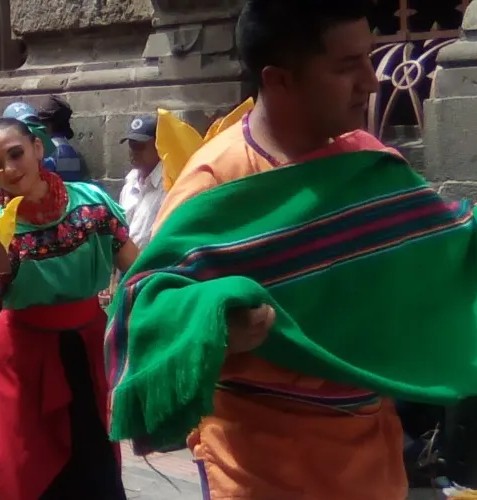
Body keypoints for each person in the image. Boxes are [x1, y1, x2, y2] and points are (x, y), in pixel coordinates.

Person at [133, 2, 400, 498]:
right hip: (257, 470)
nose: (372, 80)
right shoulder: (214, 183)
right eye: (346, 67)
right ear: (279, 80)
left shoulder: (374, 163)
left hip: (371, 461)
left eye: (370, 57)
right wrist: (214, 328)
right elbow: (148, 311)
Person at [0, 118, 138, 499]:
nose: (8, 168)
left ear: (38, 149)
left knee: (93, 462)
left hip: (87, 348)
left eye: (16, 153)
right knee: (17, 470)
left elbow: (138, 271)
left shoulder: (92, 204)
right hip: (22, 360)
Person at [118, 114, 165, 249]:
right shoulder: (129, 184)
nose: (134, 152)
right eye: (131, 146)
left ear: (157, 145)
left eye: (140, 146)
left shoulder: (167, 185)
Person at [34, 96, 90, 182]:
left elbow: (68, 184)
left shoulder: (59, 151)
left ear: (49, 125)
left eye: (41, 122)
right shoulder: (68, 148)